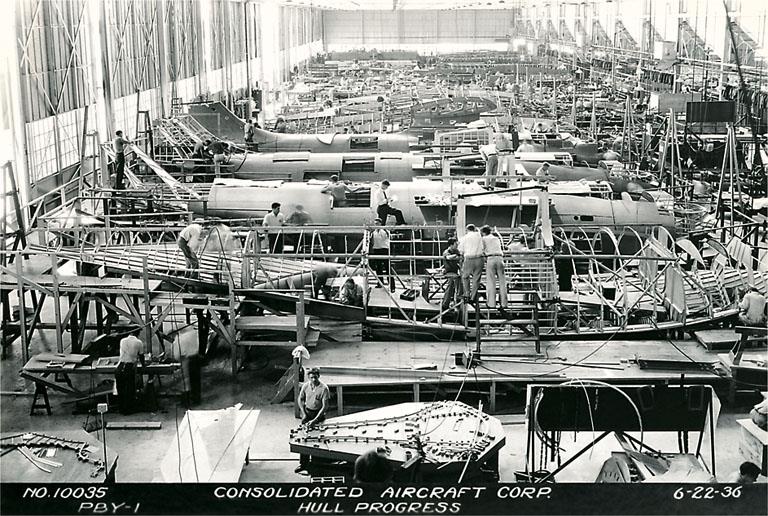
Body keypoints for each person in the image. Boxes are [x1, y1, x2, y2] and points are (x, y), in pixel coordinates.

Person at [295, 367, 331, 474]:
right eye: (311, 378)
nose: (313, 380)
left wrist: (315, 420)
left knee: (317, 440)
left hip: (319, 415)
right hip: (307, 413)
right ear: (308, 378)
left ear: (318, 376)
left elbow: (324, 407)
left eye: (315, 377)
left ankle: (316, 465)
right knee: (304, 439)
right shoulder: (306, 386)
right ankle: (303, 464)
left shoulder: (324, 388)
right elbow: (300, 399)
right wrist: (304, 413)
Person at [481, 225, 508, 315]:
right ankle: (504, 303)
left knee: (491, 282)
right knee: (502, 282)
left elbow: (481, 250)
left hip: (491, 258)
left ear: (483, 232)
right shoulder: (496, 238)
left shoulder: (484, 239)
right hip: (500, 258)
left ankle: (491, 304)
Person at [458, 224, 484, 303]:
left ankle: (467, 294)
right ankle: (473, 297)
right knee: (476, 278)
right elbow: (483, 247)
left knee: (465, 276)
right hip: (479, 258)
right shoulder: (479, 236)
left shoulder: (464, 238)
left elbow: (461, 250)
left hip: (469, 259)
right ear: (474, 229)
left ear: (467, 230)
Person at [370, 218, 394, 292]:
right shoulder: (373, 232)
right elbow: (371, 241)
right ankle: (380, 283)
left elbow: (390, 237)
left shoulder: (385, 231)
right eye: (375, 224)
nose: (376, 225)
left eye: (377, 224)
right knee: (378, 268)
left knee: (387, 268)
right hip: (376, 249)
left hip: (384, 249)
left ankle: (392, 286)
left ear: (380, 224)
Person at [441, 237, 462, 312]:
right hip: (448, 271)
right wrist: (456, 256)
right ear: (451, 245)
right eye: (455, 244)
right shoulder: (446, 251)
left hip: (455, 271)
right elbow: (448, 257)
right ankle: (445, 303)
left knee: (461, 280)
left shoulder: (456, 251)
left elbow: (461, 256)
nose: (457, 245)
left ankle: (458, 300)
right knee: (452, 282)